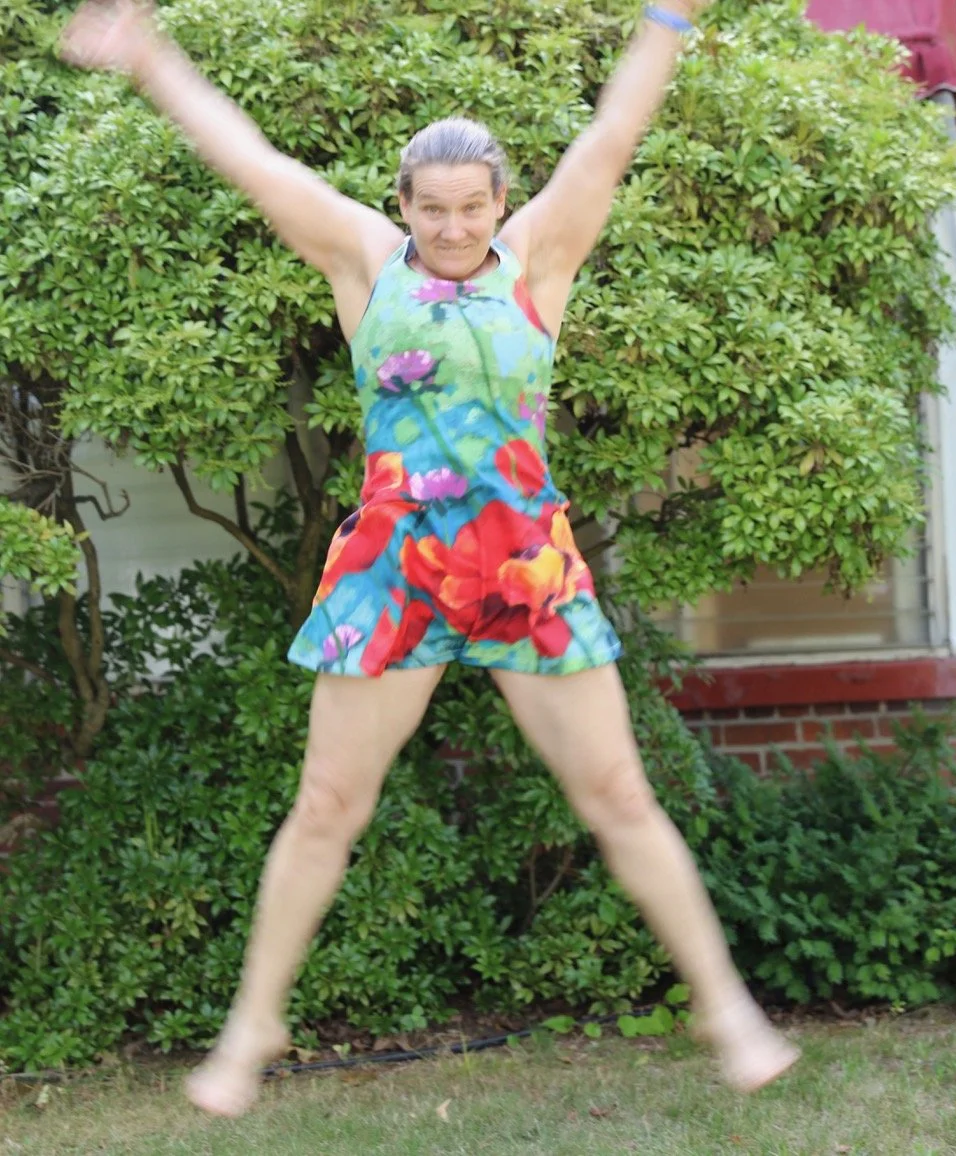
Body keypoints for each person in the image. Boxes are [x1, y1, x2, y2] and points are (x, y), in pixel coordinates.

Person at [59, 0, 800, 1117]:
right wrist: (149, 58)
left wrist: (666, 20)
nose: (453, 228)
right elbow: (251, 161)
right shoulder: (365, 261)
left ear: (500, 202)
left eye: (472, 206)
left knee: (616, 791)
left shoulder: (539, 258)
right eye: (433, 208)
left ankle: (725, 1007)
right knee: (326, 803)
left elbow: (611, 138)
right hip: (396, 562)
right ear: (402, 203)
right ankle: (254, 1021)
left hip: (522, 560)